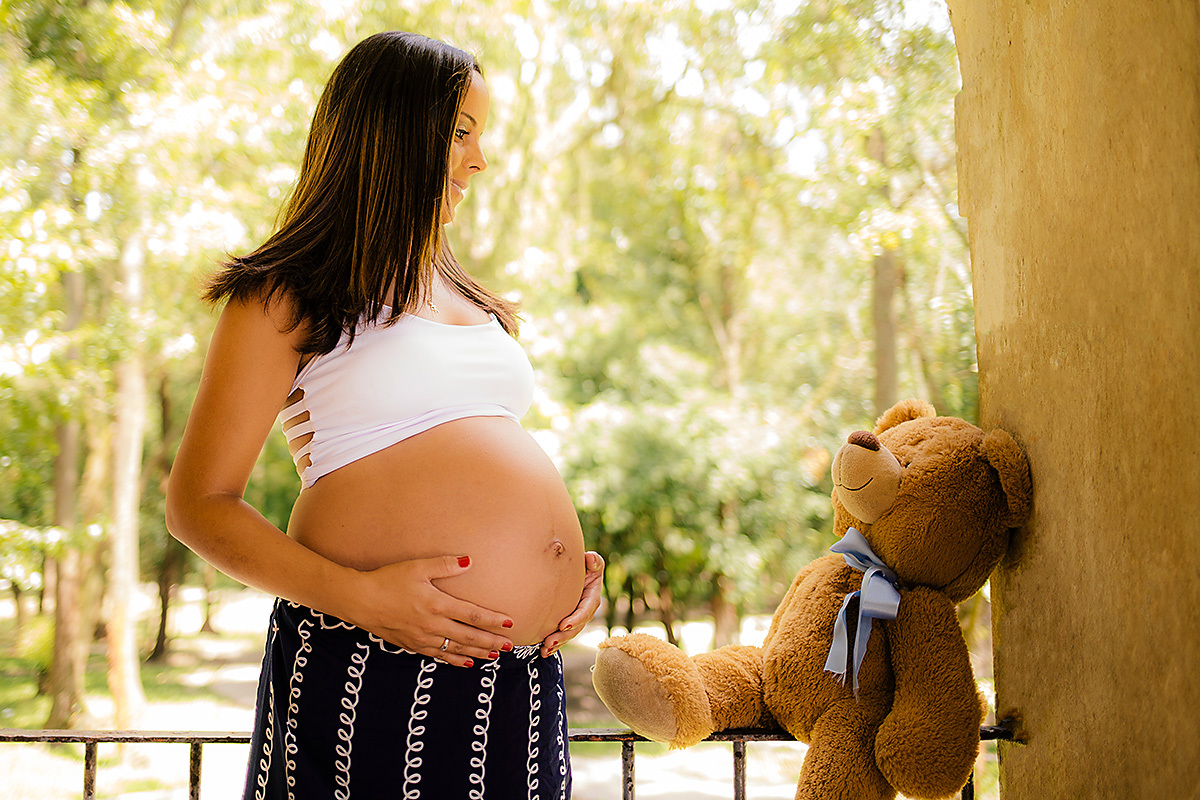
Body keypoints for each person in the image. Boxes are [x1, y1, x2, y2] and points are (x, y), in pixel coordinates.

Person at [165, 31, 604, 799]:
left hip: (521, 682)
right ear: (395, 132)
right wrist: (364, 599)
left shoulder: (474, 301)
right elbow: (197, 506)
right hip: (372, 660)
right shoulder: (287, 295)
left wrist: (566, 571)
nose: (479, 159)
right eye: (461, 132)